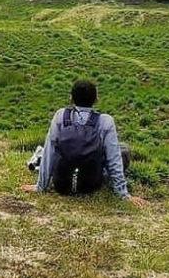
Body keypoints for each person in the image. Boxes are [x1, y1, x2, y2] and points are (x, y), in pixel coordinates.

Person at [20, 79, 147, 207]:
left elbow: (50, 151)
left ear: (71, 98)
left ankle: (38, 161)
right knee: (123, 150)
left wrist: (40, 186)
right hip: (91, 185)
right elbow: (114, 159)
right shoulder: (105, 121)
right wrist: (123, 194)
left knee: (50, 151)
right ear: (96, 99)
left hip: (61, 184)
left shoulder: (60, 116)